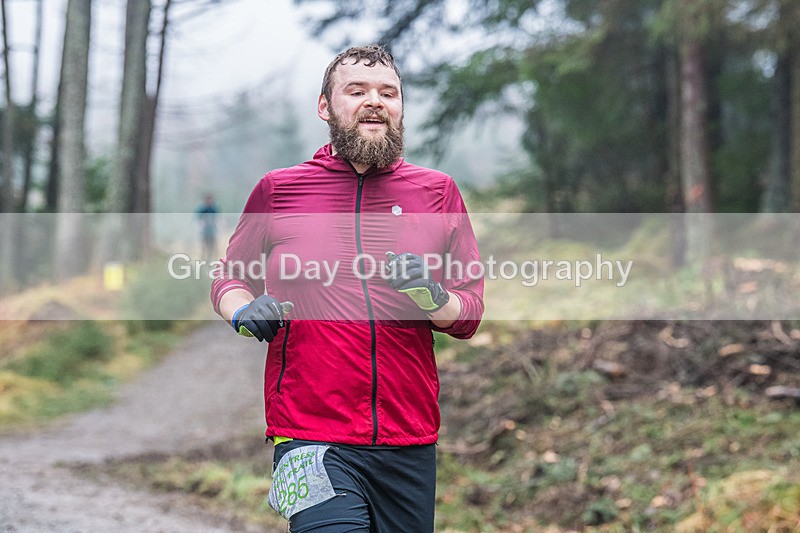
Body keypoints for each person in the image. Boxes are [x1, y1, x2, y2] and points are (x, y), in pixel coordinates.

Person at [210, 45, 484, 532]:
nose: (374, 101)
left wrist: (433, 296)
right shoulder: (280, 189)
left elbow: (469, 310)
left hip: (408, 438)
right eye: (356, 91)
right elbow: (230, 277)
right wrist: (243, 311)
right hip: (308, 434)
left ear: (400, 107)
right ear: (325, 106)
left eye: (388, 93)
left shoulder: (437, 192)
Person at [196, 193, 219, 258]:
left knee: (213, 244)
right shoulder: (202, 208)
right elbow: (198, 219)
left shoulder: (214, 208)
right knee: (204, 244)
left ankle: (212, 257)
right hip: (205, 229)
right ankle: (203, 257)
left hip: (212, 229)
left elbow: (217, 218)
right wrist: (200, 227)